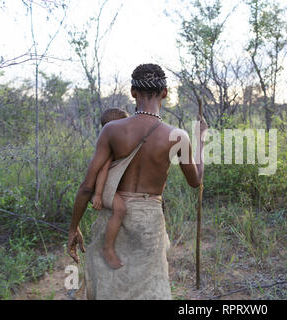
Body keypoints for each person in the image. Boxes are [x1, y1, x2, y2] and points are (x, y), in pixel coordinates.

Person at [67, 63, 207, 299]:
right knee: (148, 288)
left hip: (112, 216)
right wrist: (200, 141)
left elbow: (88, 186)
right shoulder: (178, 137)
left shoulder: (111, 130)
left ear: (133, 92)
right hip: (148, 223)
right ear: (165, 92)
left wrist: (73, 227)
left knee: (108, 285)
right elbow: (196, 181)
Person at [91, 108, 129, 269]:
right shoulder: (109, 145)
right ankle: (107, 248)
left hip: (110, 185)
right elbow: (102, 171)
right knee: (120, 209)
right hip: (103, 186)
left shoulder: (116, 142)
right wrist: (98, 195)